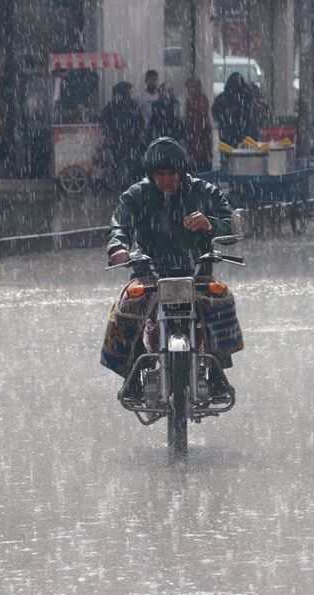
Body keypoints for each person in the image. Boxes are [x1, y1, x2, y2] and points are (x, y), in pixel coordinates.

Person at [101, 137, 244, 393]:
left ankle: (217, 369)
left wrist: (209, 224)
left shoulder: (204, 191)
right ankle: (132, 372)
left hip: (197, 273)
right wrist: (118, 249)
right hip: (150, 275)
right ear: (151, 174)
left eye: (172, 173)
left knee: (222, 299)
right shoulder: (136, 195)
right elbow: (119, 226)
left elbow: (231, 229)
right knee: (125, 309)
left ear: (181, 171)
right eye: (160, 174)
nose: (166, 179)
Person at [100, 81, 147, 187]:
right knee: (119, 162)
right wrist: (108, 134)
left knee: (131, 162)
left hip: (130, 138)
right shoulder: (112, 106)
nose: (131, 92)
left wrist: (140, 131)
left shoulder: (132, 105)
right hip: (118, 138)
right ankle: (121, 182)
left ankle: (129, 181)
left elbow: (139, 120)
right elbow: (105, 121)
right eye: (129, 90)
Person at [211, 72, 254, 147]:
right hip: (242, 131)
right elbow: (250, 112)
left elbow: (214, 110)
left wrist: (222, 119)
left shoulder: (222, 97)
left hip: (226, 132)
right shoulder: (246, 96)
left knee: (227, 150)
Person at [183, 77, 213, 173]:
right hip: (192, 135)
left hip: (201, 134)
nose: (190, 90)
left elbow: (200, 112)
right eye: (188, 87)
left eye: (192, 87)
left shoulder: (201, 99)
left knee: (201, 161)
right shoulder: (190, 100)